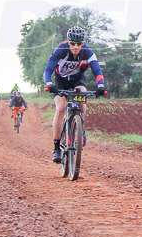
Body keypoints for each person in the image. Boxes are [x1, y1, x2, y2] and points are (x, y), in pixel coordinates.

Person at [43, 26, 107, 162]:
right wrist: (49, 84)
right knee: (60, 108)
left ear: (83, 43)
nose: (76, 47)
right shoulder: (61, 50)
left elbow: (97, 70)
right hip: (60, 81)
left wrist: (100, 86)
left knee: (82, 103)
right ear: (68, 42)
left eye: (79, 44)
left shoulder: (88, 52)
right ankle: (56, 147)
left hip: (77, 80)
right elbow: (48, 70)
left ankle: (80, 130)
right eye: (73, 43)